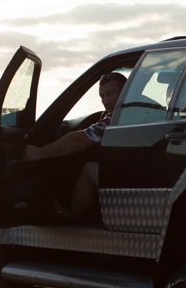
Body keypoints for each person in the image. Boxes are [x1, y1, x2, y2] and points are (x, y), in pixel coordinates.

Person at [23, 72, 127, 219]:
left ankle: (73, 217)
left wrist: (39, 153)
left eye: (110, 94)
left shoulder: (122, 114)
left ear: (126, 90)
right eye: (102, 96)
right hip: (140, 171)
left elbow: (80, 141)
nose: (105, 101)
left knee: (88, 169)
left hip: (133, 177)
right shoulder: (145, 106)